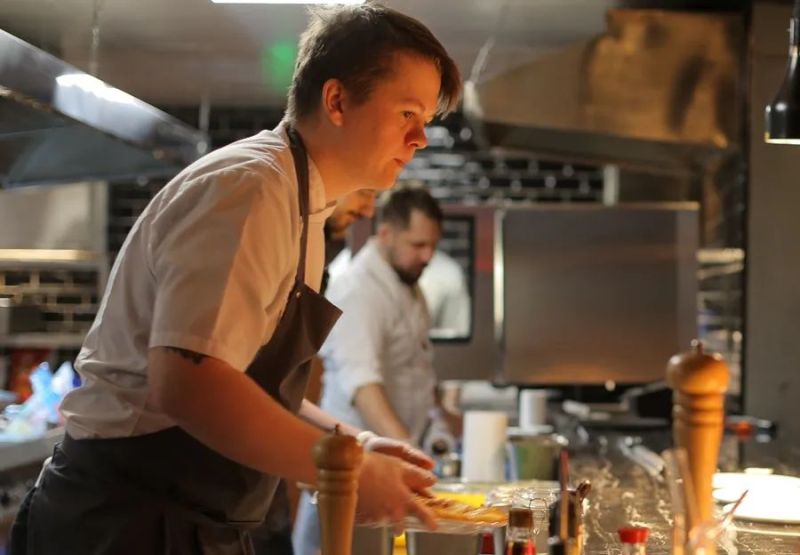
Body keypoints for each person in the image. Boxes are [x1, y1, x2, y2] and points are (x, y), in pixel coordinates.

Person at [8, 3, 461, 554]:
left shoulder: (303, 205)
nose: (420, 139)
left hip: (185, 518)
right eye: (408, 113)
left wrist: (349, 443)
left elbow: (244, 380)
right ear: (337, 101)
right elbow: (189, 383)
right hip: (126, 522)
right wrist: (343, 471)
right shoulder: (252, 190)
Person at [293, 186, 450, 555]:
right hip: (347, 473)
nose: (427, 256)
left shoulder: (409, 286)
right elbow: (364, 387)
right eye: (418, 245)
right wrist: (411, 454)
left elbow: (417, 371)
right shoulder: (358, 290)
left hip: (383, 465)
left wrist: (436, 429)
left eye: (432, 245)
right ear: (386, 234)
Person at [252, 188, 376, 555]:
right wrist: (341, 466)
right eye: (365, 191)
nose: (368, 209)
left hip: (258, 490)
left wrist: (359, 440)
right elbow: (217, 384)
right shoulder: (265, 224)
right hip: (203, 490)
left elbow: (271, 390)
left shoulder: (313, 248)